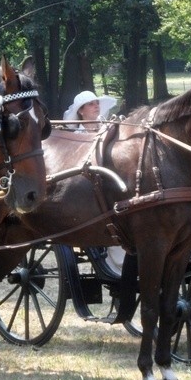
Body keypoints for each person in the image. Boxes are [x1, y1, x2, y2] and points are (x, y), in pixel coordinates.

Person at [63, 89, 125, 275]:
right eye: (91, 104)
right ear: (81, 111)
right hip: (87, 185)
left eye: (97, 102)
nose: (96, 106)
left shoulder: (109, 127)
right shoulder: (75, 135)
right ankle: (118, 265)